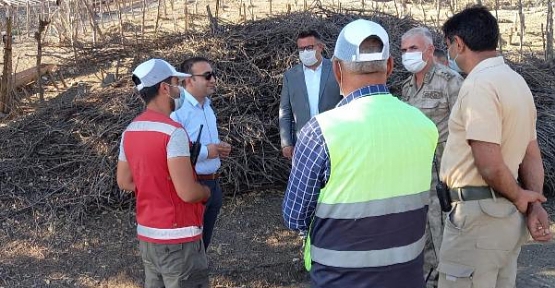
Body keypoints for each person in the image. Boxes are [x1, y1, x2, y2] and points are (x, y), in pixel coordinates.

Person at [282, 19, 439, 288]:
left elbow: (294, 216)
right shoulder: (425, 127)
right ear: (390, 65)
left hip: (340, 279)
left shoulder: (320, 132)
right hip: (407, 277)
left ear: (336, 69)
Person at [438, 6, 551, 288]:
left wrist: (521, 197)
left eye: (448, 45)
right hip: (504, 220)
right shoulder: (517, 82)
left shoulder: (479, 85)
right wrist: (533, 201)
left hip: (477, 220)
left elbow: (488, 163)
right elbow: (531, 154)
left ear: (459, 43)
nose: (449, 53)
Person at [117, 58, 211, 288]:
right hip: (179, 239)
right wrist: (205, 192)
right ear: (164, 88)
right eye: (176, 82)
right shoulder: (173, 132)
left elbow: (124, 181)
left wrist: (156, 186)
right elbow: (187, 192)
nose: (179, 88)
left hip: (148, 237)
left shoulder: (130, 131)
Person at [400, 26, 463, 287]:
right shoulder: (405, 88)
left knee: (443, 229)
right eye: (403, 50)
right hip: (416, 171)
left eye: (412, 49)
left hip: (444, 173)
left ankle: (446, 279)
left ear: (428, 50)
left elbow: (466, 126)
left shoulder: (450, 81)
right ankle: (429, 278)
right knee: (422, 229)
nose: (407, 55)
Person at [171, 56, 231, 252]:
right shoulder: (178, 111)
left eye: (213, 74)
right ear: (189, 80)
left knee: (202, 244)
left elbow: (202, 141)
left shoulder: (207, 106)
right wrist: (208, 151)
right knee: (189, 246)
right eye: (207, 76)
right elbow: (173, 150)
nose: (213, 79)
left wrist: (218, 148)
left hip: (213, 184)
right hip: (194, 185)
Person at [279, 30, 342, 159]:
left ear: (320, 47)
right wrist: (286, 143)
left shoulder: (336, 70)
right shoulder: (291, 76)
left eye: (309, 47)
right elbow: (285, 110)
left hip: (334, 140)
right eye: (301, 49)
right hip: (303, 143)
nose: (305, 52)